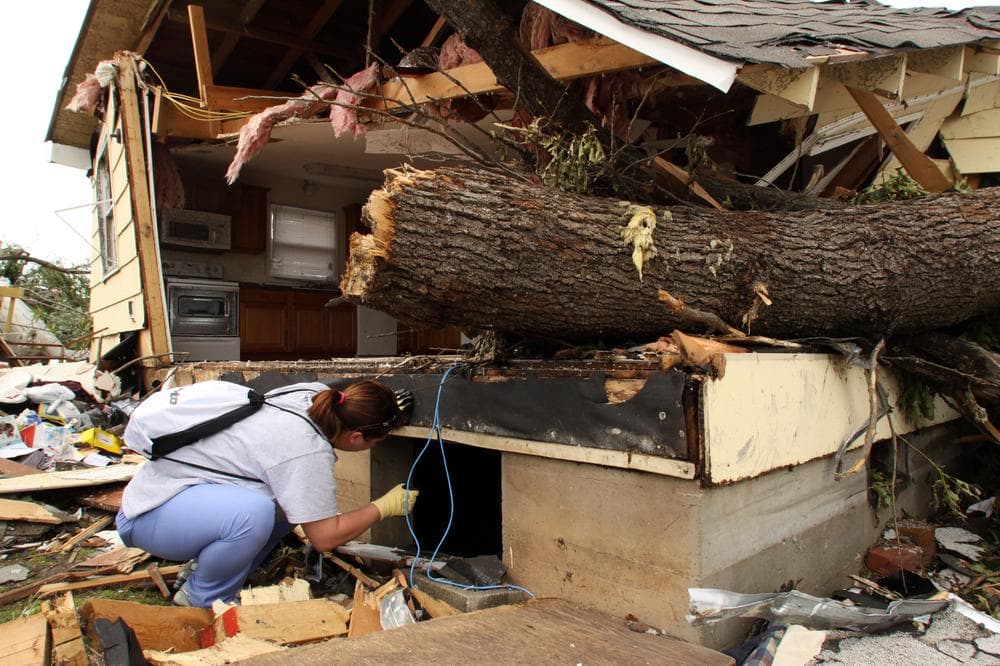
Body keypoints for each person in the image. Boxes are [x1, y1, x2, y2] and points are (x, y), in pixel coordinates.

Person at [115, 380, 418, 607]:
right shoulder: (305, 450)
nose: (373, 447)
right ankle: (203, 597)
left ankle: (207, 572)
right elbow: (324, 538)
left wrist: (389, 411)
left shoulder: (311, 395)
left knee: (288, 506)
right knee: (254, 513)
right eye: (374, 442)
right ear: (355, 437)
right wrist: (381, 507)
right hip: (149, 515)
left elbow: (349, 396)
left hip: (181, 499)